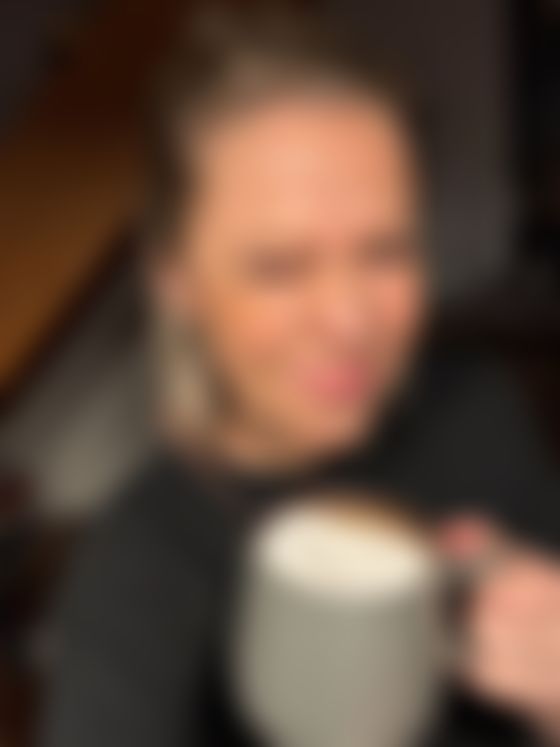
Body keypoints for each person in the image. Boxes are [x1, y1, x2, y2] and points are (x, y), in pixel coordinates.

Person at [42, 6, 560, 746]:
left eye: (385, 251)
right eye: (280, 267)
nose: (350, 321)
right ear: (177, 284)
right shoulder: (140, 575)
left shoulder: (480, 411)